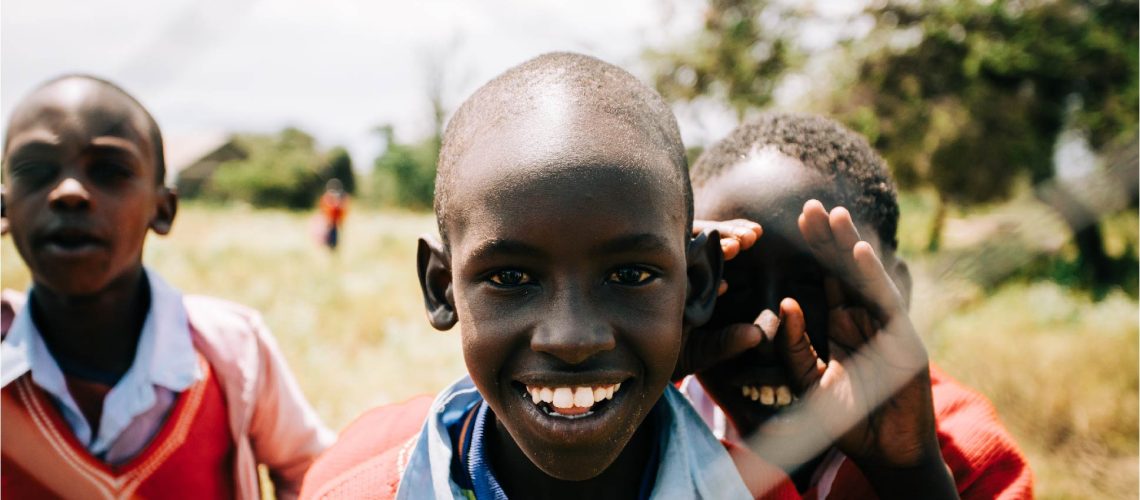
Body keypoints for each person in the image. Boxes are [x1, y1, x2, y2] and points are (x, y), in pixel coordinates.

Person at [301, 52, 766, 499]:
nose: (572, 339)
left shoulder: (763, 491)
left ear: (698, 283)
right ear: (442, 288)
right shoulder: (352, 490)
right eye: (510, 279)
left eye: (629, 274)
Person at [1, 75, 333, 499]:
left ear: (163, 209)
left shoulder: (232, 351)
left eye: (109, 171)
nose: (69, 192)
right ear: (4, 207)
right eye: (36, 171)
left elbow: (313, 471)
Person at [683, 112, 1034, 498]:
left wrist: (911, 475)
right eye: (727, 283)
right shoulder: (647, 421)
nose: (768, 332)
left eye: (815, 284)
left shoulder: (970, 459)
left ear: (897, 289)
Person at [318, 178, 348, 251]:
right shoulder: (326, 199)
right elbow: (323, 211)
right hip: (328, 224)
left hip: (334, 224)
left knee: (334, 242)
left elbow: (341, 212)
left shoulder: (339, 201)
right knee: (327, 241)